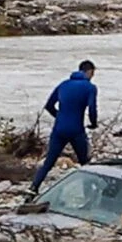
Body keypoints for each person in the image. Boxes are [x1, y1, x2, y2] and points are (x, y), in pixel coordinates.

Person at [28, 59, 98, 197]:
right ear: (89, 72)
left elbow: (49, 105)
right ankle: (88, 194)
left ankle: (33, 188)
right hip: (76, 130)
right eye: (93, 73)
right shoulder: (90, 87)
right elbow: (92, 109)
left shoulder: (63, 85)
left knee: (49, 161)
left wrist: (59, 117)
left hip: (59, 129)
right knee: (85, 162)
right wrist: (93, 123)